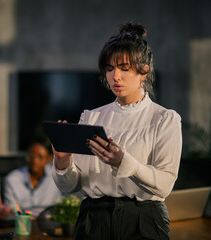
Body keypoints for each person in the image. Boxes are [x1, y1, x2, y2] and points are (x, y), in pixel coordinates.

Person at [52, 22, 182, 240]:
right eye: (110, 69)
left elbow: (164, 185)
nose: (115, 76)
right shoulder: (91, 117)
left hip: (143, 221)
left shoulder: (164, 119)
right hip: (93, 220)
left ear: (143, 72)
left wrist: (125, 163)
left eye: (124, 68)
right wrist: (62, 161)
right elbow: (71, 186)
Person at [3, 137, 63, 217]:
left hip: (49, 224)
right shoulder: (12, 179)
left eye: (40, 157)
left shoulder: (58, 177)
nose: (35, 161)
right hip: (22, 224)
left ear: (49, 158)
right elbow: (11, 211)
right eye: (31, 156)